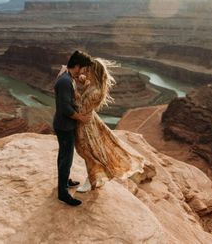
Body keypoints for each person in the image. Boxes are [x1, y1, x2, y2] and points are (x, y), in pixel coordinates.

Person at [74, 58, 156, 192]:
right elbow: (82, 79)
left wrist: (71, 92)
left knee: (90, 153)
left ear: (94, 72)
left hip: (87, 125)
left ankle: (92, 180)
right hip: (89, 121)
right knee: (90, 151)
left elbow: (81, 108)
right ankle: (97, 176)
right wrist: (73, 73)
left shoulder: (96, 91)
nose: (85, 71)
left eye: (87, 69)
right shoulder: (92, 82)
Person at [53, 50, 93, 206]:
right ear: (77, 66)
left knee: (64, 156)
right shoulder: (64, 81)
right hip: (64, 126)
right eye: (83, 68)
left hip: (65, 125)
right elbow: (65, 108)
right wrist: (81, 118)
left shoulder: (68, 77)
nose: (84, 72)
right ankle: (63, 193)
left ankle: (65, 181)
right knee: (66, 159)